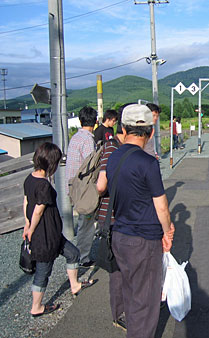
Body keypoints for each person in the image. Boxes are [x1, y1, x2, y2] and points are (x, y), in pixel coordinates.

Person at [106, 104, 175, 338]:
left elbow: (102, 188)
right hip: (144, 240)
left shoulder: (113, 156)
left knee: (130, 291)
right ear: (151, 132)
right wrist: (168, 232)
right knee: (145, 302)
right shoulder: (148, 162)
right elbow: (161, 206)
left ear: (123, 129)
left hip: (119, 235)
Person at [23, 142, 96, 317]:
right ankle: (36, 306)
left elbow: (26, 202)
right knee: (43, 271)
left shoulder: (30, 179)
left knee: (73, 254)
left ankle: (75, 285)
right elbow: (39, 210)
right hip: (45, 235)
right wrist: (31, 229)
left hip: (53, 234)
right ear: (51, 163)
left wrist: (26, 223)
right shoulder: (44, 186)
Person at [96, 104, 128, 331]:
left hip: (124, 217)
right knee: (117, 269)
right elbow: (100, 186)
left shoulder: (125, 149)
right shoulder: (111, 148)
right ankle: (118, 314)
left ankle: (125, 309)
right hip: (112, 217)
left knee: (125, 267)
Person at [66, 106, 98, 268]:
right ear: (96, 121)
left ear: (80, 120)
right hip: (83, 188)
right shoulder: (87, 140)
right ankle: (82, 258)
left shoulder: (75, 137)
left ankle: (79, 255)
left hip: (72, 186)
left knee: (83, 221)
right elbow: (90, 166)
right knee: (86, 224)